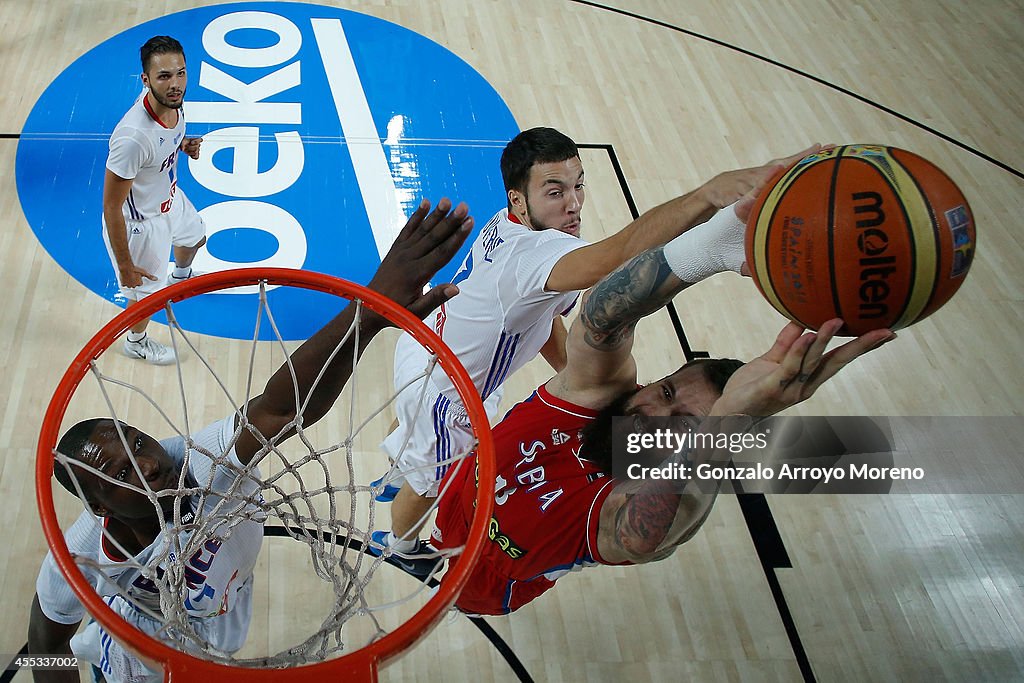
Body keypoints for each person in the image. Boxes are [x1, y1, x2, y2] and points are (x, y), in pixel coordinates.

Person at [28, 199, 473, 682]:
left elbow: (280, 406)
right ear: (99, 506)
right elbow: (44, 643)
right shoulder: (80, 554)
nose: (149, 463)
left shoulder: (200, 461)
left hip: (217, 631)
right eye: (119, 474)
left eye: (138, 442)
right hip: (139, 664)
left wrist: (365, 314)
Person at [372, 127, 818, 571]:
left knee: (418, 426)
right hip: (445, 384)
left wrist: (589, 380)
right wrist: (707, 197)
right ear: (518, 199)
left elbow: (542, 320)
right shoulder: (536, 257)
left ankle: (399, 467)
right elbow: (616, 257)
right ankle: (403, 547)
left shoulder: (509, 227)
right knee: (431, 479)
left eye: (578, 184)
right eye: (555, 191)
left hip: (429, 343)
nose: (573, 203)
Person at [431, 191, 897, 615]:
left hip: (484, 582)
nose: (654, 413)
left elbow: (642, 535)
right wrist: (710, 248)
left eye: (684, 422)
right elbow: (600, 313)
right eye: (667, 391)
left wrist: (734, 418)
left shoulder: (629, 503)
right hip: (454, 503)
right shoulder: (596, 396)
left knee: (443, 600)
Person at [102, 35, 206, 365]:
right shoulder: (133, 138)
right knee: (148, 298)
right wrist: (125, 266)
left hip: (169, 197)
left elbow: (163, 142)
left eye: (180, 73)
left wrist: (181, 144)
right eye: (164, 77)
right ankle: (136, 341)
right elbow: (111, 207)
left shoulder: (173, 101)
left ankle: (179, 278)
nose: (175, 84)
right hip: (140, 227)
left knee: (197, 237)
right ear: (146, 80)